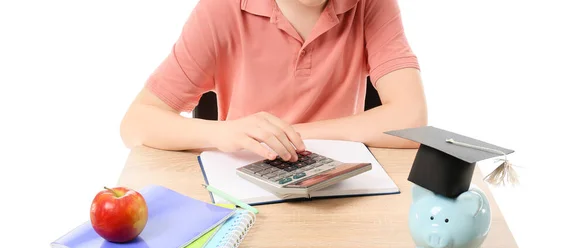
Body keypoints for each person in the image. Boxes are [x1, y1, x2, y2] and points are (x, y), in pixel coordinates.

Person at [120, 0, 427, 162]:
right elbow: (136, 123)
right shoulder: (220, 9)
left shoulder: (370, 3)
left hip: (337, 176)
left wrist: (287, 136)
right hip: (247, 177)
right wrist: (224, 132)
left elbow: (411, 119)